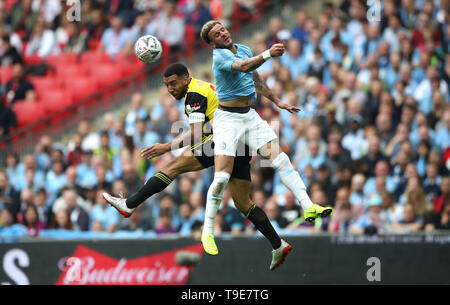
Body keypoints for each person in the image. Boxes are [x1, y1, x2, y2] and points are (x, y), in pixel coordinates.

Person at [103, 63, 288, 270]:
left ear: (185, 78)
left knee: (172, 166)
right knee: (243, 203)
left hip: (224, 140)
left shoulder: (194, 94)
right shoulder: (203, 88)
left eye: (173, 83)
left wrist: (166, 146)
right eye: (167, 86)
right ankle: (278, 244)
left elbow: (196, 133)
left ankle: (129, 204)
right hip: (241, 143)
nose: (171, 89)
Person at [198, 20, 332, 256]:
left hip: (249, 116)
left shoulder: (244, 48)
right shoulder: (220, 57)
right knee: (220, 178)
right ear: (212, 43)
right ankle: (207, 231)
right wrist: (268, 53)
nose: (223, 34)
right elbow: (243, 66)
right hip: (227, 120)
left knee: (281, 160)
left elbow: (255, 77)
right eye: (217, 34)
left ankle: (308, 206)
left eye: (223, 29)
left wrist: (276, 101)